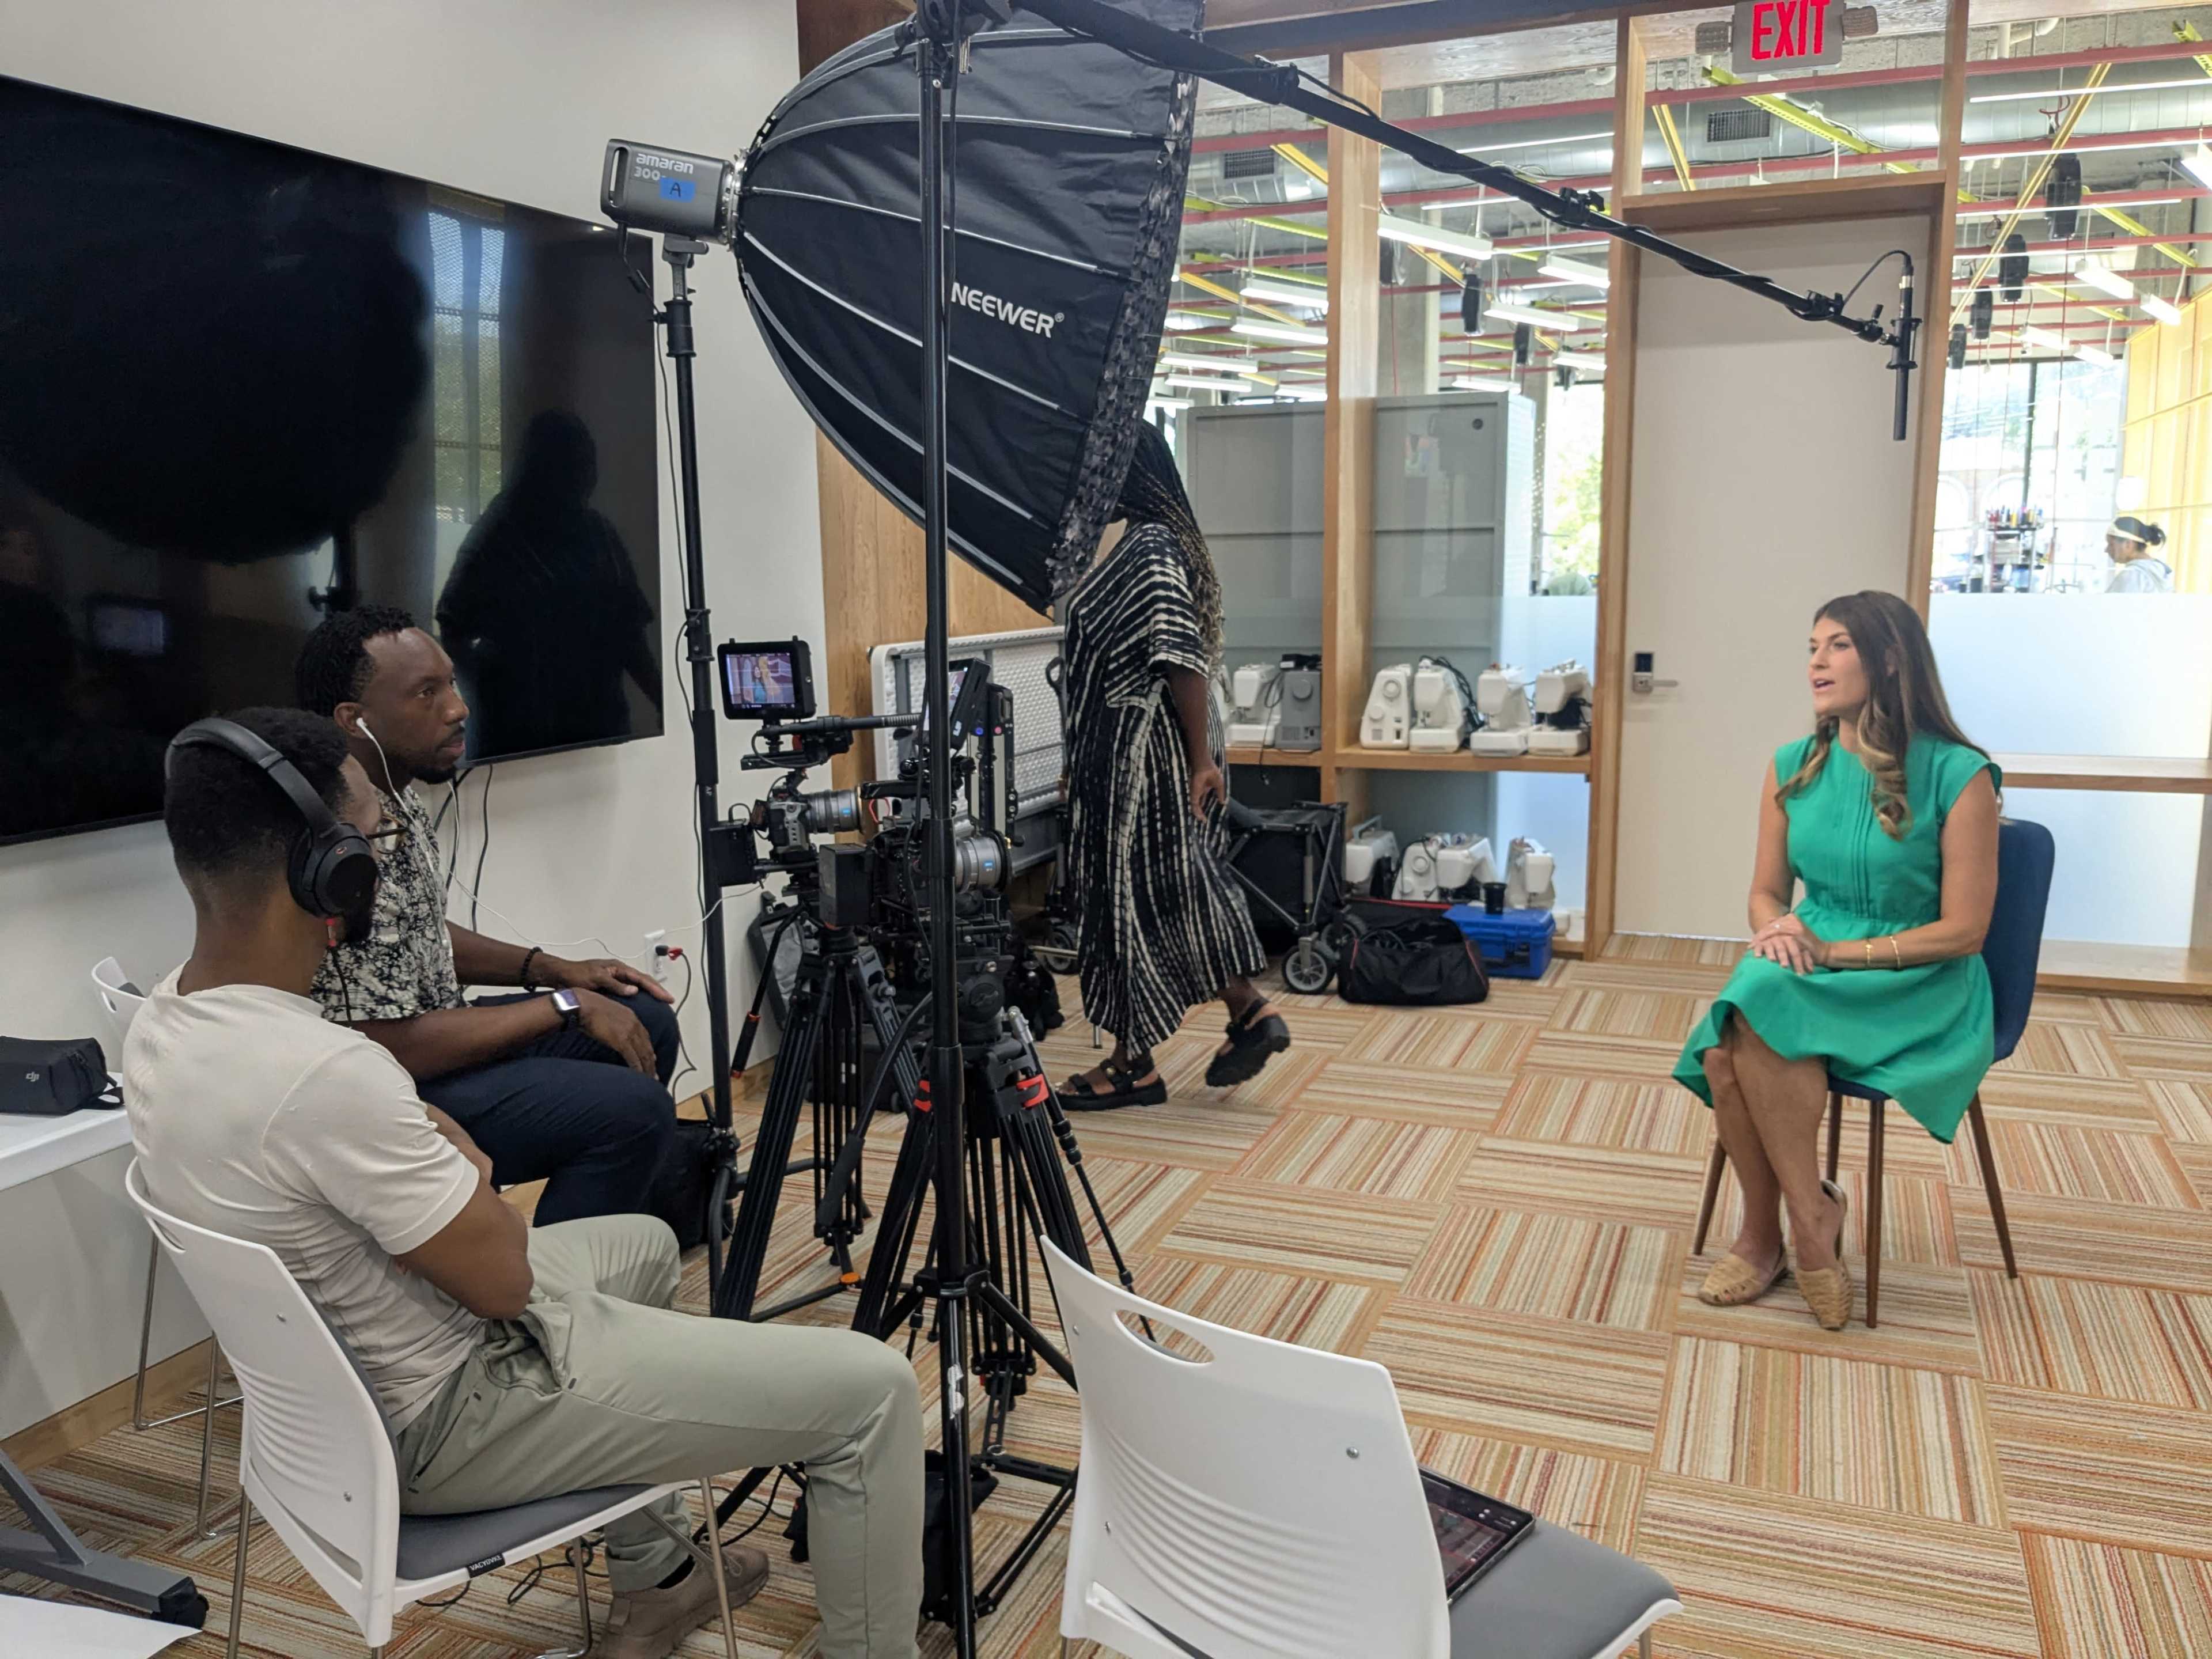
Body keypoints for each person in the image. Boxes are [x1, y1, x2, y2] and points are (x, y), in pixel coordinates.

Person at [125, 707, 923, 1659]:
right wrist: (468, 1165)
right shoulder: (325, 1073)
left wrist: (437, 1152)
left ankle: (660, 1582)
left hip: (343, 1406)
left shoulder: (165, 1020)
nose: (383, 855)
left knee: (645, 1244)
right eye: (372, 837)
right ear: (326, 872)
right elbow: (501, 1282)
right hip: (452, 1411)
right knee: (873, 1393)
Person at [1674, 592, 2001, 1332]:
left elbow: (1965, 932)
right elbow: (1764, 892)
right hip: (1810, 960)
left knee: (1742, 1030)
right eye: (1812, 647)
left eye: (1839, 645)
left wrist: (1832, 952)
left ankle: (1778, 1233)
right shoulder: (1793, 765)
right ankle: (1800, 1221)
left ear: (1891, 659)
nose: (1816, 662)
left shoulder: (1961, 773)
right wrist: (1780, 930)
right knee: (1743, 1024)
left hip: (1917, 978)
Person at [296, 605, 681, 1226]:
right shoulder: (338, 844)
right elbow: (383, 1044)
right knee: (634, 1110)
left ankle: (622, 1231)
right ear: (353, 720)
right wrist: (565, 1005)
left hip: (435, 1032)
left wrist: (556, 971)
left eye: (450, 682)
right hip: (393, 1085)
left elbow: (420, 931)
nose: (459, 708)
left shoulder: (394, 792)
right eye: (427, 692)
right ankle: (555, 1282)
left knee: (644, 1017)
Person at [1058, 422, 1286, 1108]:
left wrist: (1199, 761)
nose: (1090, 486)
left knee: (1126, 903)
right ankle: (1248, 1011)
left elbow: (1178, 653)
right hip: (1142, 750)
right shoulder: (1153, 540)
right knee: (1170, 890)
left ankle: (1133, 1064)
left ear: (1127, 475)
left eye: (1100, 472)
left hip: (1144, 757)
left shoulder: (1151, 546)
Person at [437, 411, 661, 757]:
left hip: (601, 725)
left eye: (589, 462)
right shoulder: (500, 533)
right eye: (575, 464)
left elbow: (629, 632)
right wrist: (485, 692)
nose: (588, 475)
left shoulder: (599, 533)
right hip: (520, 734)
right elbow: (452, 622)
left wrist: (664, 702)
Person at [2104, 516, 2173, 593]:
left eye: (2111, 544)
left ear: (2128, 544)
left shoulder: (2132, 576)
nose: (2106, 550)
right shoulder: (2160, 571)